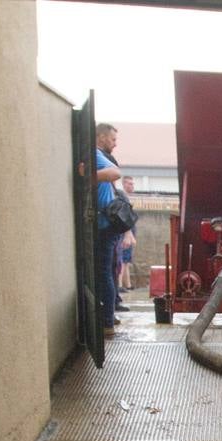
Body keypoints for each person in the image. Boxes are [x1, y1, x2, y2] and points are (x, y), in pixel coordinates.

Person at [93, 123, 123, 337]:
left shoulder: (95, 155)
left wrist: (89, 176)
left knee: (104, 272)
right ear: (101, 137)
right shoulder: (98, 154)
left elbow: (115, 173)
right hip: (107, 224)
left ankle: (106, 322)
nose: (115, 143)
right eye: (112, 139)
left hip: (104, 225)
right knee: (107, 272)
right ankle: (108, 317)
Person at [118, 176, 137, 296]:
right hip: (126, 231)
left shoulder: (126, 198)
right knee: (123, 259)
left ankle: (127, 285)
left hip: (129, 230)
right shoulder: (122, 197)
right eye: (130, 184)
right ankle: (120, 285)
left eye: (132, 184)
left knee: (126, 259)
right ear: (124, 184)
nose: (132, 186)